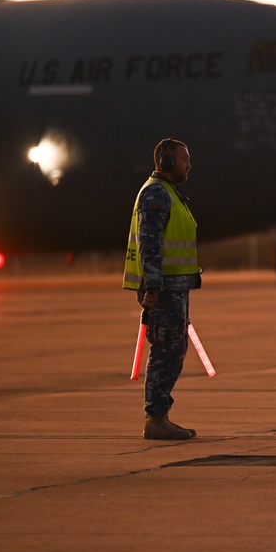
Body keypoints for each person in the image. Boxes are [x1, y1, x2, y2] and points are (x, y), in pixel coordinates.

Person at [123, 138, 202, 440]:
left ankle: (159, 416)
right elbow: (150, 243)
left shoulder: (169, 193)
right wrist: (152, 286)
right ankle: (155, 418)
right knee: (165, 351)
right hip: (164, 288)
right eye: (185, 159)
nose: (189, 165)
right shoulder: (156, 194)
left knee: (173, 350)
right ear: (168, 162)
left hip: (175, 287)